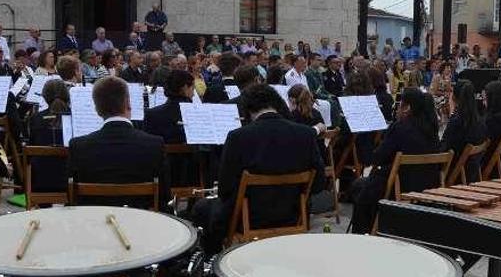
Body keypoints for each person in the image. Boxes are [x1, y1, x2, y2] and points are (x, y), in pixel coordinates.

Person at [192, 84, 325, 254]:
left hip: (251, 217)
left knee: (202, 208)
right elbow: (319, 183)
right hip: (294, 214)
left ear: (247, 110)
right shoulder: (306, 134)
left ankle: (213, 264)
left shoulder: (238, 137)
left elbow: (225, 190)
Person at [349, 88, 440, 233]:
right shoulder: (432, 129)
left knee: (360, 186)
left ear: (407, 108)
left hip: (400, 186)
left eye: (399, 104)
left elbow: (378, 158)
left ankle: (363, 231)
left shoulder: (400, 127)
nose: (397, 108)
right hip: (428, 184)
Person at [68, 77, 169, 208]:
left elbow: (72, 198)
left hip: (94, 220)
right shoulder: (155, 145)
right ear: (128, 103)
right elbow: (164, 196)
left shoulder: (78, 146)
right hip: (142, 221)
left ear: (97, 110)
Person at [441, 80, 487, 183]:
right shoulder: (479, 120)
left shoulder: (457, 122)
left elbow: (446, 147)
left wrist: (453, 112)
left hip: (456, 174)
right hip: (472, 173)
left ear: (454, 97)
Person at [29, 79, 70, 147]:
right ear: (67, 95)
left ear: (45, 97)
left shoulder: (36, 118)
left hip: (41, 157)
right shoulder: (76, 118)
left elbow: (32, 146)